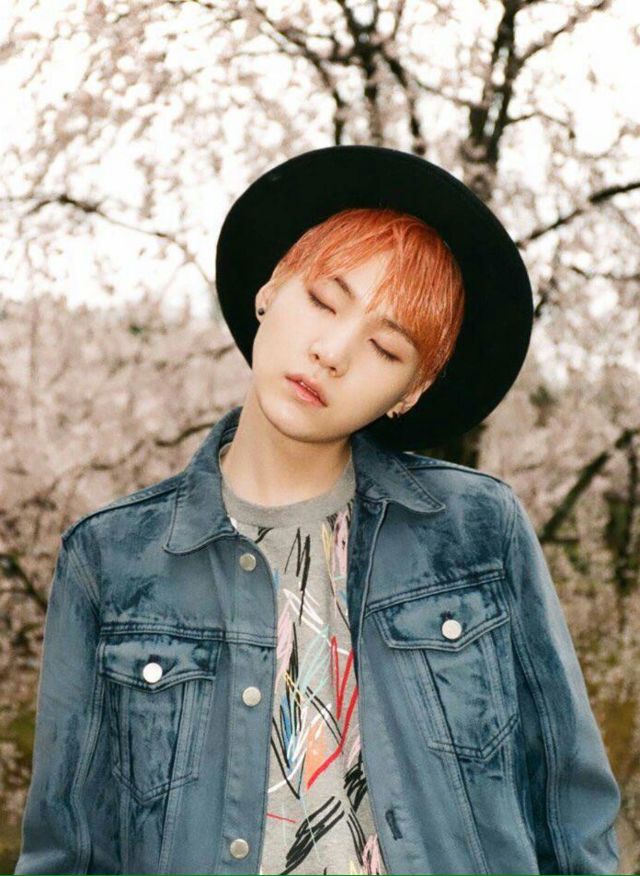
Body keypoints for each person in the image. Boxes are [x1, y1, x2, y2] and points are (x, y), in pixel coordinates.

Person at [15, 145, 621, 875]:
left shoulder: (478, 531)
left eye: (385, 349)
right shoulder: (111, 558)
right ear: (270, 289)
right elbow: (71, 848)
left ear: (410, 393)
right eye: (324, 302)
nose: (332, 351)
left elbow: (571, 808)